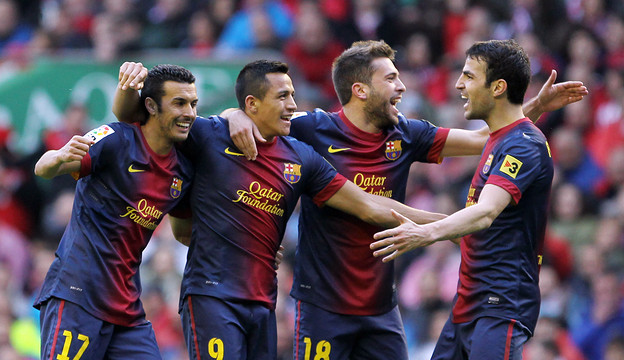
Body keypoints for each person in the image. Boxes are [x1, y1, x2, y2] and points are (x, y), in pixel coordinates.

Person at [226, 40, 587, 359]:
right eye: (391, 79)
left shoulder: (407, 133)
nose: (402, 86)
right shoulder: (311, 129)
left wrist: (532, 106)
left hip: (382, 307)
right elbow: (239, 128)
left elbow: (486, 140)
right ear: (361, 90)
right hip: (323, 305)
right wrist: (235, 114)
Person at [114, 59, 448, 360]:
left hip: (263, 303)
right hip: (211, 296)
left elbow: (369, 205)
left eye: (292, 95)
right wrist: (128, 86)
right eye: (282, 97)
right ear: (252, 104)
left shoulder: (302, 158)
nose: (292, 106)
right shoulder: (209, 134)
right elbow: (136, 118)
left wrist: (449, 224)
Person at [371, 39, 555, 359]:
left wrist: (425, 233)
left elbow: (485, 214)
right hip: (469, 304)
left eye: (469, 76)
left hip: (500, 304)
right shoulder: (499, 138)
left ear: (497, 87)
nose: (458, 84)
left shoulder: (524, 145)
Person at [33, 63, 198, 359]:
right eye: (179, 103)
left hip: (127, 307)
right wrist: (57, 157)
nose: (189, 113)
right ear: (151, 106)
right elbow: (43, 169)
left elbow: (184, 232)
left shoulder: (182, 172)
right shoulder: (116, 139)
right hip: (76, 294)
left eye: (193, 103)